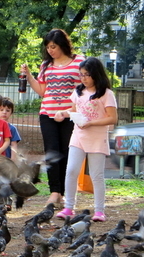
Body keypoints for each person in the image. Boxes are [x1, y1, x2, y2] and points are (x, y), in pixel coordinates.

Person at [20, 29, 85, 206]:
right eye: (48, 47)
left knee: (66, 152)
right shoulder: (46, 65)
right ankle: (54, 192)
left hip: (69, 115)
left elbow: (83, 90)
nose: (50, 50)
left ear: (63, 45)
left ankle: (64, 192)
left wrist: (69, 111)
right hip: (47, 113)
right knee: (51, 152)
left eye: (53, 46)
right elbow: (42, 90)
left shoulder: (79, 62)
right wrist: (29, 76)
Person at [54, 57, 117, 223]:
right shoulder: (78, 91)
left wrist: (91, 123)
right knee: (71, 170)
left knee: (97, 175)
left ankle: (99, 210)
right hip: (78, 136)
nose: (83, 78)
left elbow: (112, 118)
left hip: (97, 138)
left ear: (96, 74)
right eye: (81, 74)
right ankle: (69, 207)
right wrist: (64, 113)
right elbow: (75, 109)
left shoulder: (106, 94)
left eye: (87, 74)